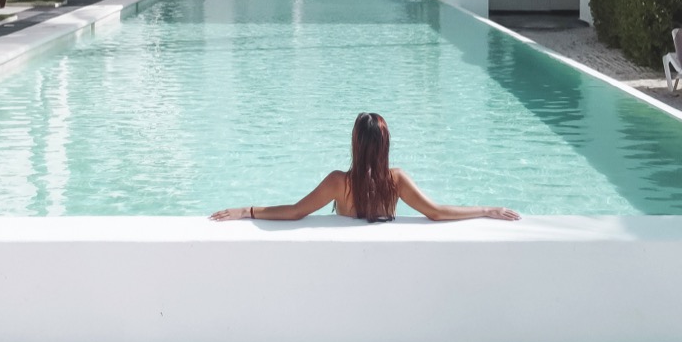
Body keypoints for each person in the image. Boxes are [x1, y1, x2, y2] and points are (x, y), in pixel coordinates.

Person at [210, 112, 520, 223]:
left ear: (356, 144)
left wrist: (247, 211)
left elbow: (294, 212)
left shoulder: (338, 182)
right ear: (385, 145)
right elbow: (437, 212)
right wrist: (486, 209)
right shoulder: (396, 180)